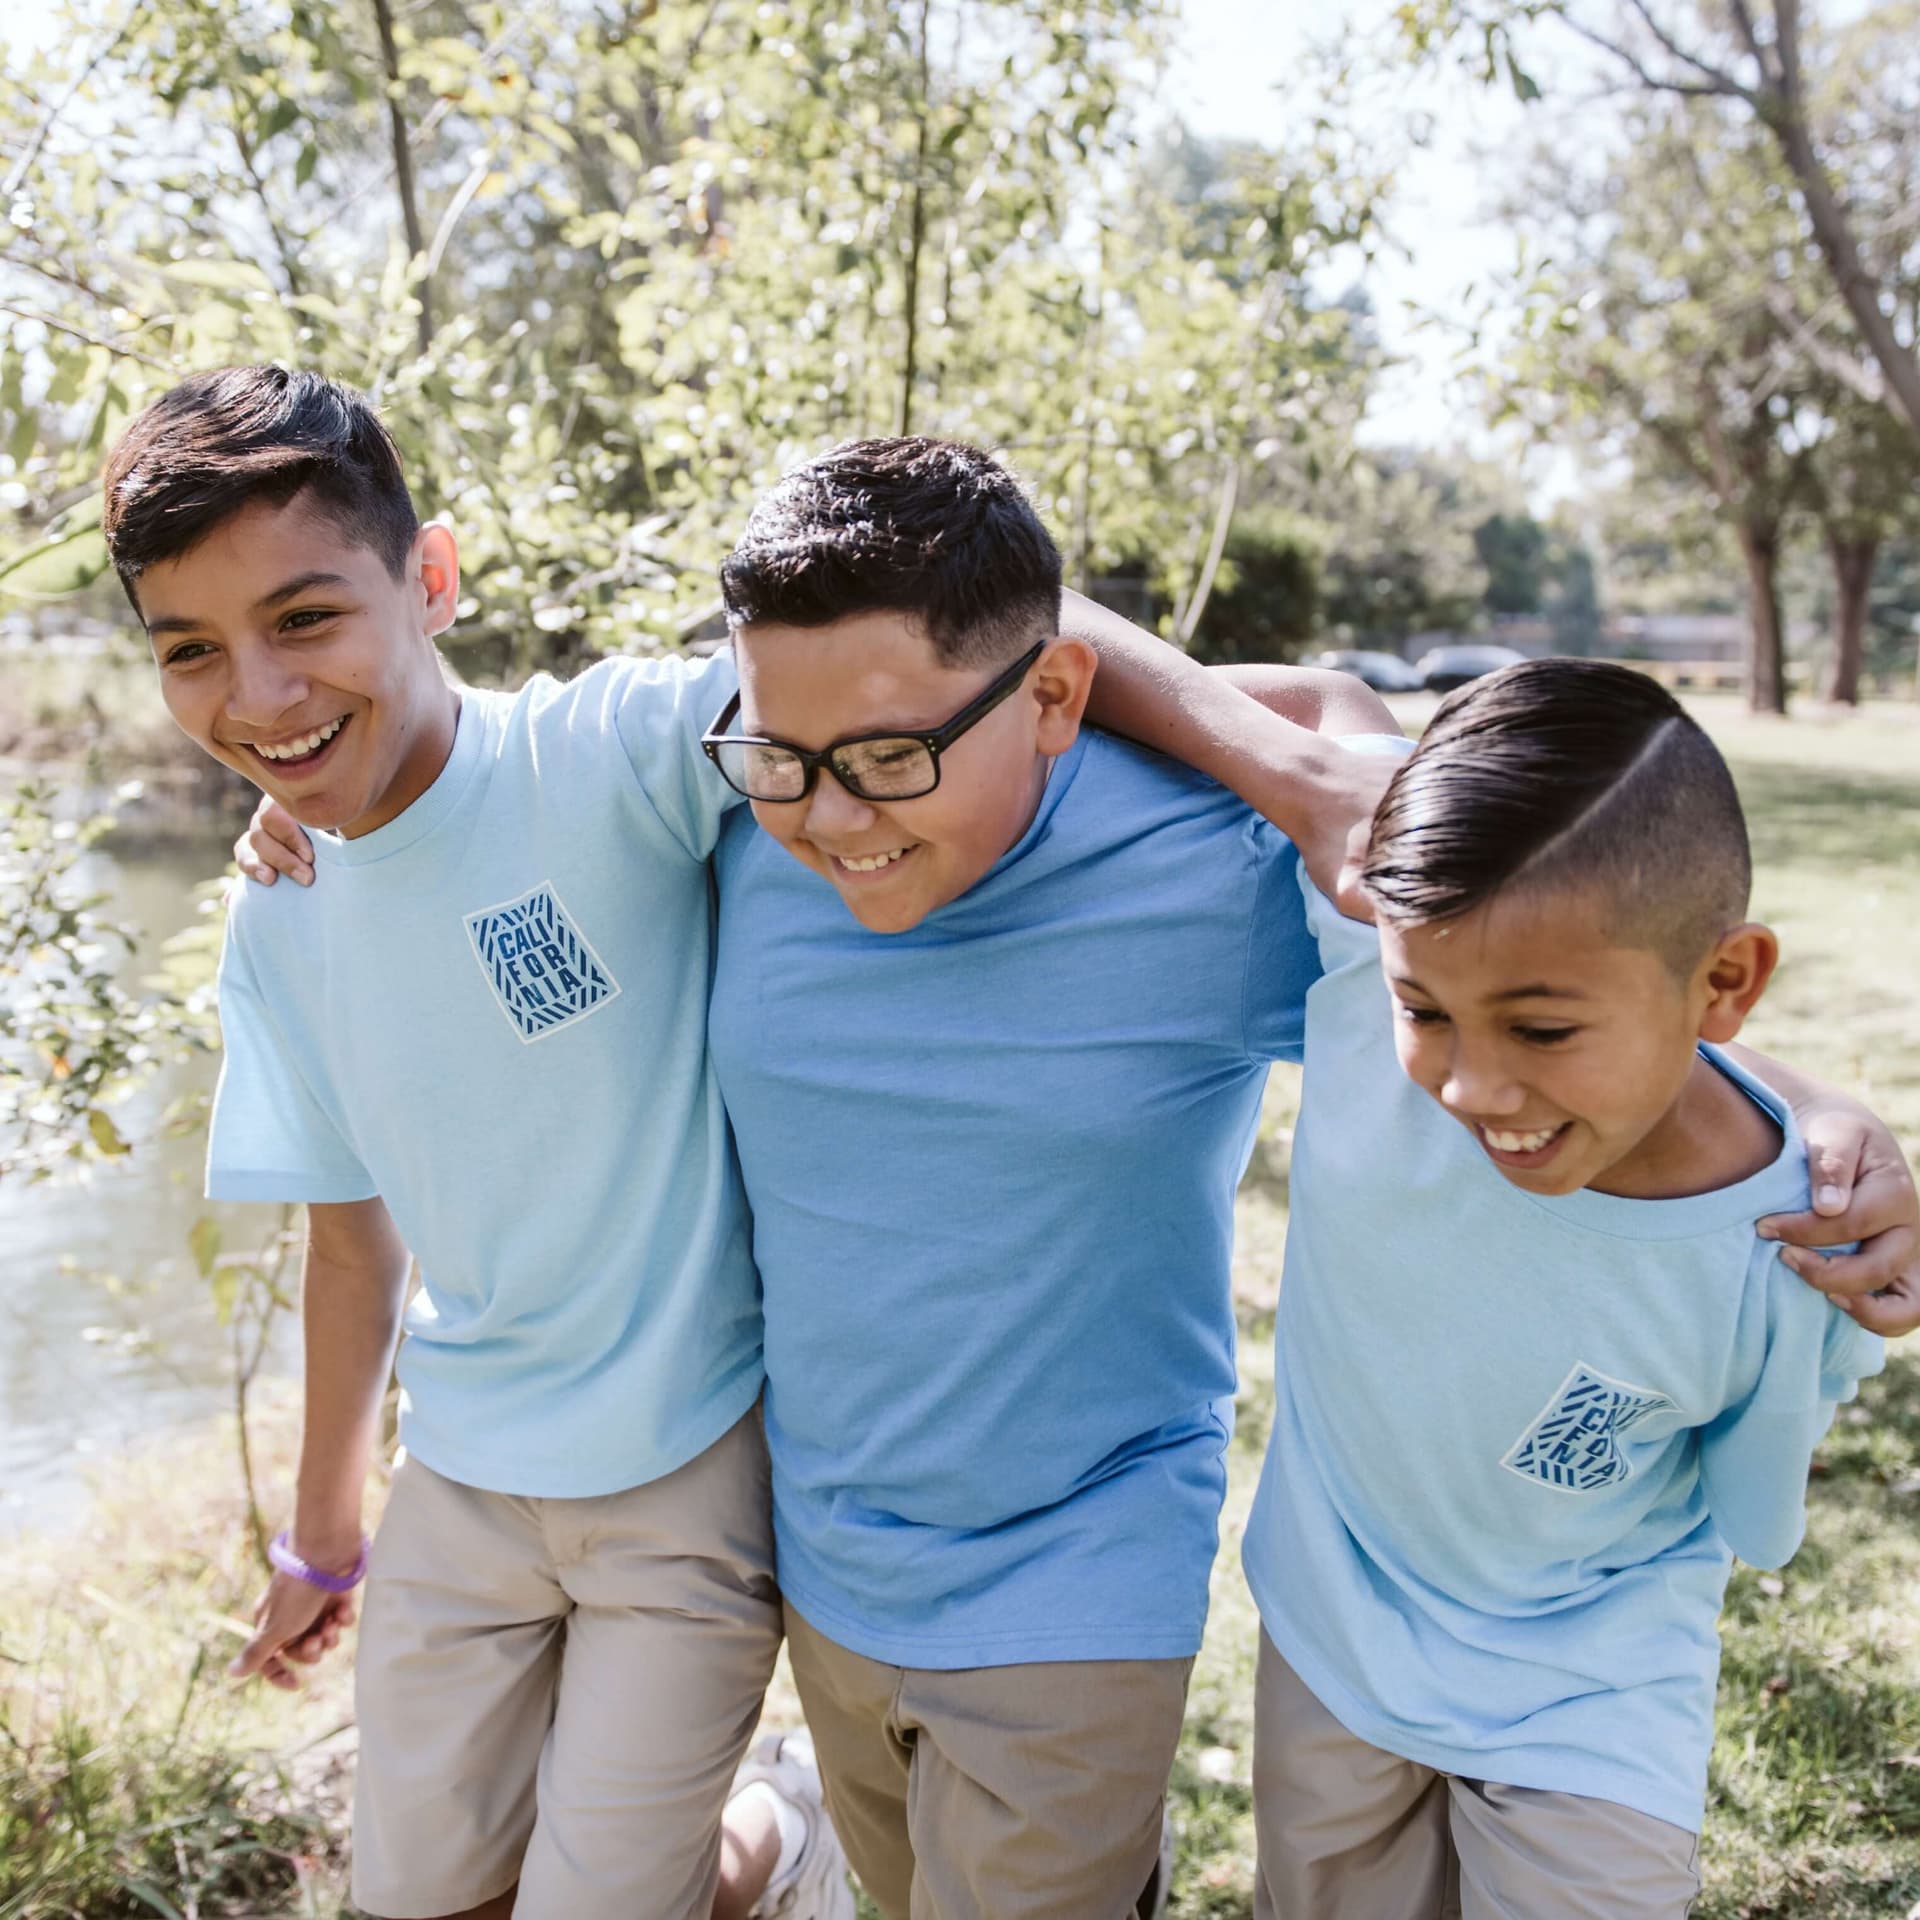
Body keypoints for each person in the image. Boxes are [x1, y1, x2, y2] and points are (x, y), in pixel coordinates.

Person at [234, 429, 1920, 1917]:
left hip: (1082, 1556)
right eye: (785, 761)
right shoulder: (738, 811)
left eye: (892, 760)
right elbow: (486, 805)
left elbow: (1516, 958)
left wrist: (1796, 1108)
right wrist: (332, 798)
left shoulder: (1199, 861)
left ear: (1048, 696)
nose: (832, 819)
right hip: (824, 1543)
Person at [102, 366, 849, 1920]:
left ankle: (786, 1834)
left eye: (306, 620)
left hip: (685, 1465)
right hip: (463, 1471)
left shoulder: (605, 756)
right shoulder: (281, 907)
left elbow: (899, 667)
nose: (258, 695)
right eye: (194, 651)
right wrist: (324, 1535)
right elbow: (352, 1235)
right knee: (423, 1900)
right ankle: (750, 1842)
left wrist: (1285, 747)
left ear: (430, 580)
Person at [1157, 659, 1886, 1916]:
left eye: (1541, 1032)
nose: (1472, 1089)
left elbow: (1758, 1511)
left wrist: (1812, 1106)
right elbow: (1103, 640)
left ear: (1727, 984)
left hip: (1595, 1684)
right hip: (1337, 1638)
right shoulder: (1373, 930)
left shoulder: (1796, 1249)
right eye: (1423, 1010)